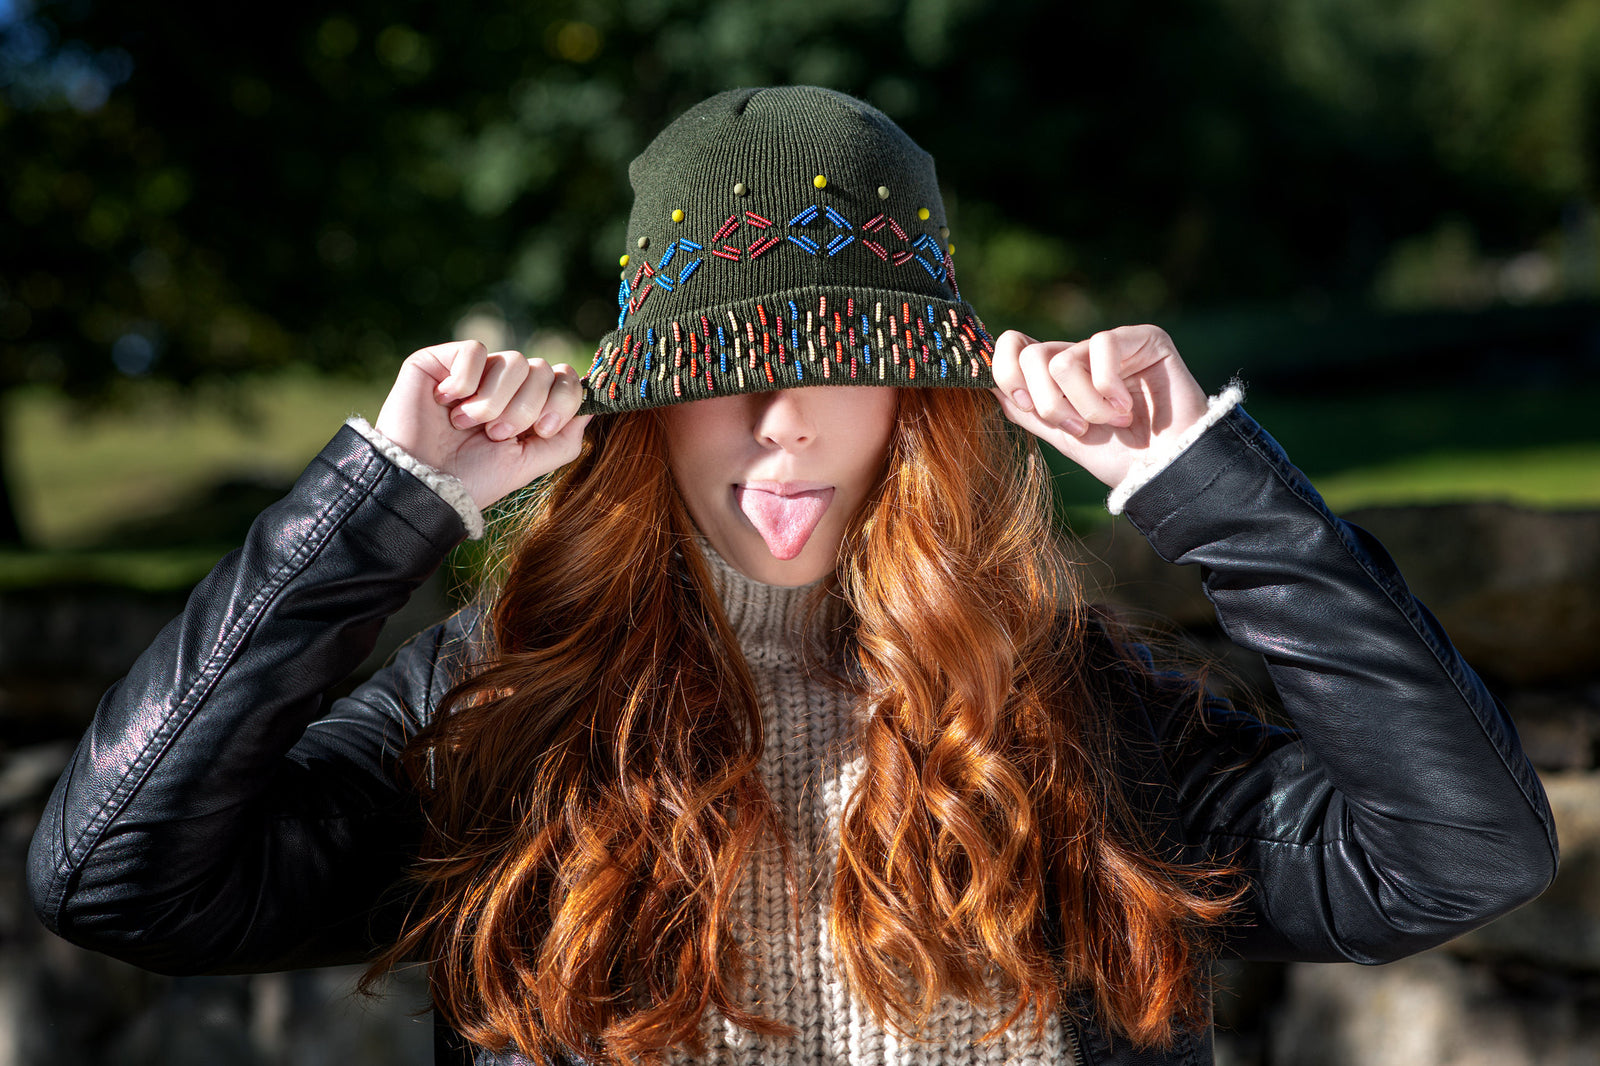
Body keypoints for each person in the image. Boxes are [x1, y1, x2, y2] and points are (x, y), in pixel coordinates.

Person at [28, 86, 1556, 1066]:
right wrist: (385, 503)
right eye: (725, 367)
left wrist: (1205, 482)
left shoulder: (1078, 714)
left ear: (920, 397)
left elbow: (1464, 848)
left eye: (850, 358)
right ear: (642, 403)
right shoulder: (508, 706)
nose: (784, 417)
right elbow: (114, 874)